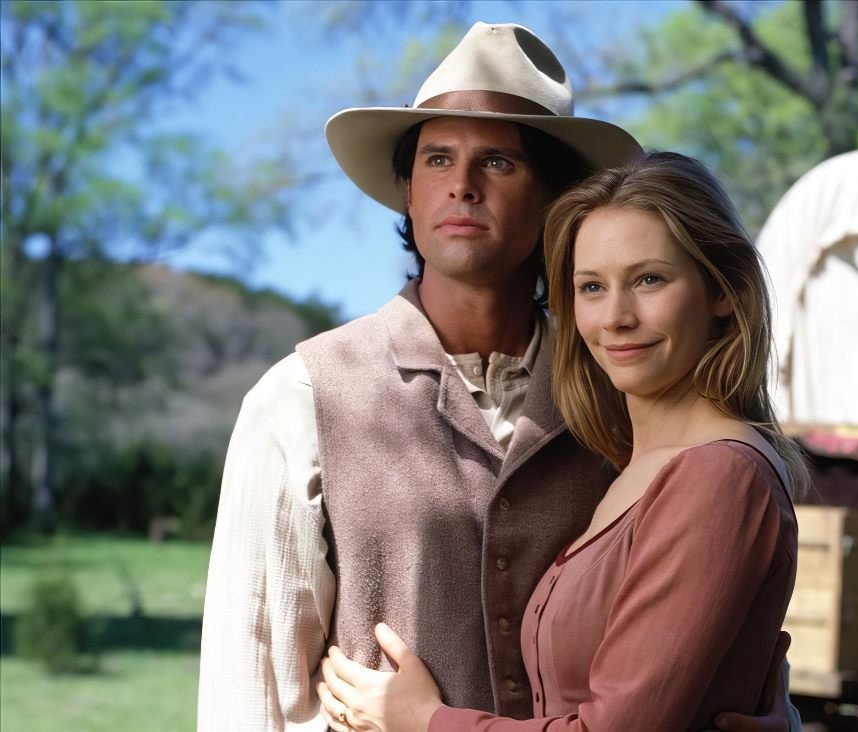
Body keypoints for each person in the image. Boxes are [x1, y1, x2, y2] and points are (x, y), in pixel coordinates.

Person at [198, 23, 794, 731]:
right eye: (437, 159)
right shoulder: (302, 397)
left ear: (554, 197)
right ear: (408, 194)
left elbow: (707, 645)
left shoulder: (627, 395)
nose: (462, 185)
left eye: (499, 162)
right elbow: (249, 686)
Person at [315, 152, 810, 731]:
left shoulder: (720, 477)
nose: (616, 317)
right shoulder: (628, 468)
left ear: (723, 289)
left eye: (649, 279)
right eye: (592, 287)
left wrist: (424, 720)